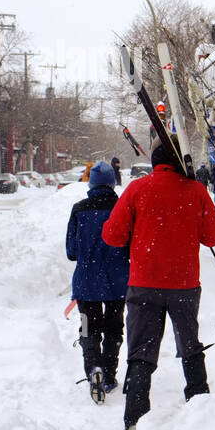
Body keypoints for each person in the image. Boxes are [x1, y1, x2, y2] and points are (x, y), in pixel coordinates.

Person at [102, 136, 215, 430]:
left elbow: (113, 236)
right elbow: (212, 237)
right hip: (184, 284)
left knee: (141, 352)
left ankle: (135, 419)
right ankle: (200, 402)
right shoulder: (196, 191)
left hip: (144, 283)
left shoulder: (137, 190)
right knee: (189, 344)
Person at [66, 161, 129, 401]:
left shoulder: (79, 209)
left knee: (88, 327)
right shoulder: (121, 208)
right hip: (118, 280)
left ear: (90, 183)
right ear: (112, 183)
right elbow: (130, 245)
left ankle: (93, 367)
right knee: (114, 329)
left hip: (86, 282)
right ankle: (110, 375)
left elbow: (71, 251)